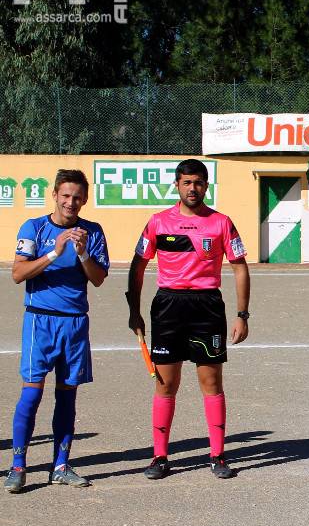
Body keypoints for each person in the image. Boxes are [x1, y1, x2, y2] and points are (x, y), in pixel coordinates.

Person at [127, 159, 250, 480]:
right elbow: (138, 266)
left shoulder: (222, 223)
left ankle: (218, 455)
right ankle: (159, 457)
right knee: (166, 385)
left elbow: (239, 267)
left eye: (198, 183)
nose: (192, 188)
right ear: (177, 185)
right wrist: (134, 311)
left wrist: (242, 314)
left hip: (207, 307)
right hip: (168, 306)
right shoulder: (157, 222)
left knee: (211, 383)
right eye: (186, 183)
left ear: (206, 186)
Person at [4, 170, 109, 493]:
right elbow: (18, 273)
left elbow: (98, 278)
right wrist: (53, 252)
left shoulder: (91, 232)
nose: (70, 202)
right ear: (54, 195)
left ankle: (60, 465)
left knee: (67, 397)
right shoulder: (34, 227)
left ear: (85, 199)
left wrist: (81, 253)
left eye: (77, 197)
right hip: (40, 320)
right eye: (65, 196)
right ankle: (18, 466)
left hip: (75, 322)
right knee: (32, 394)